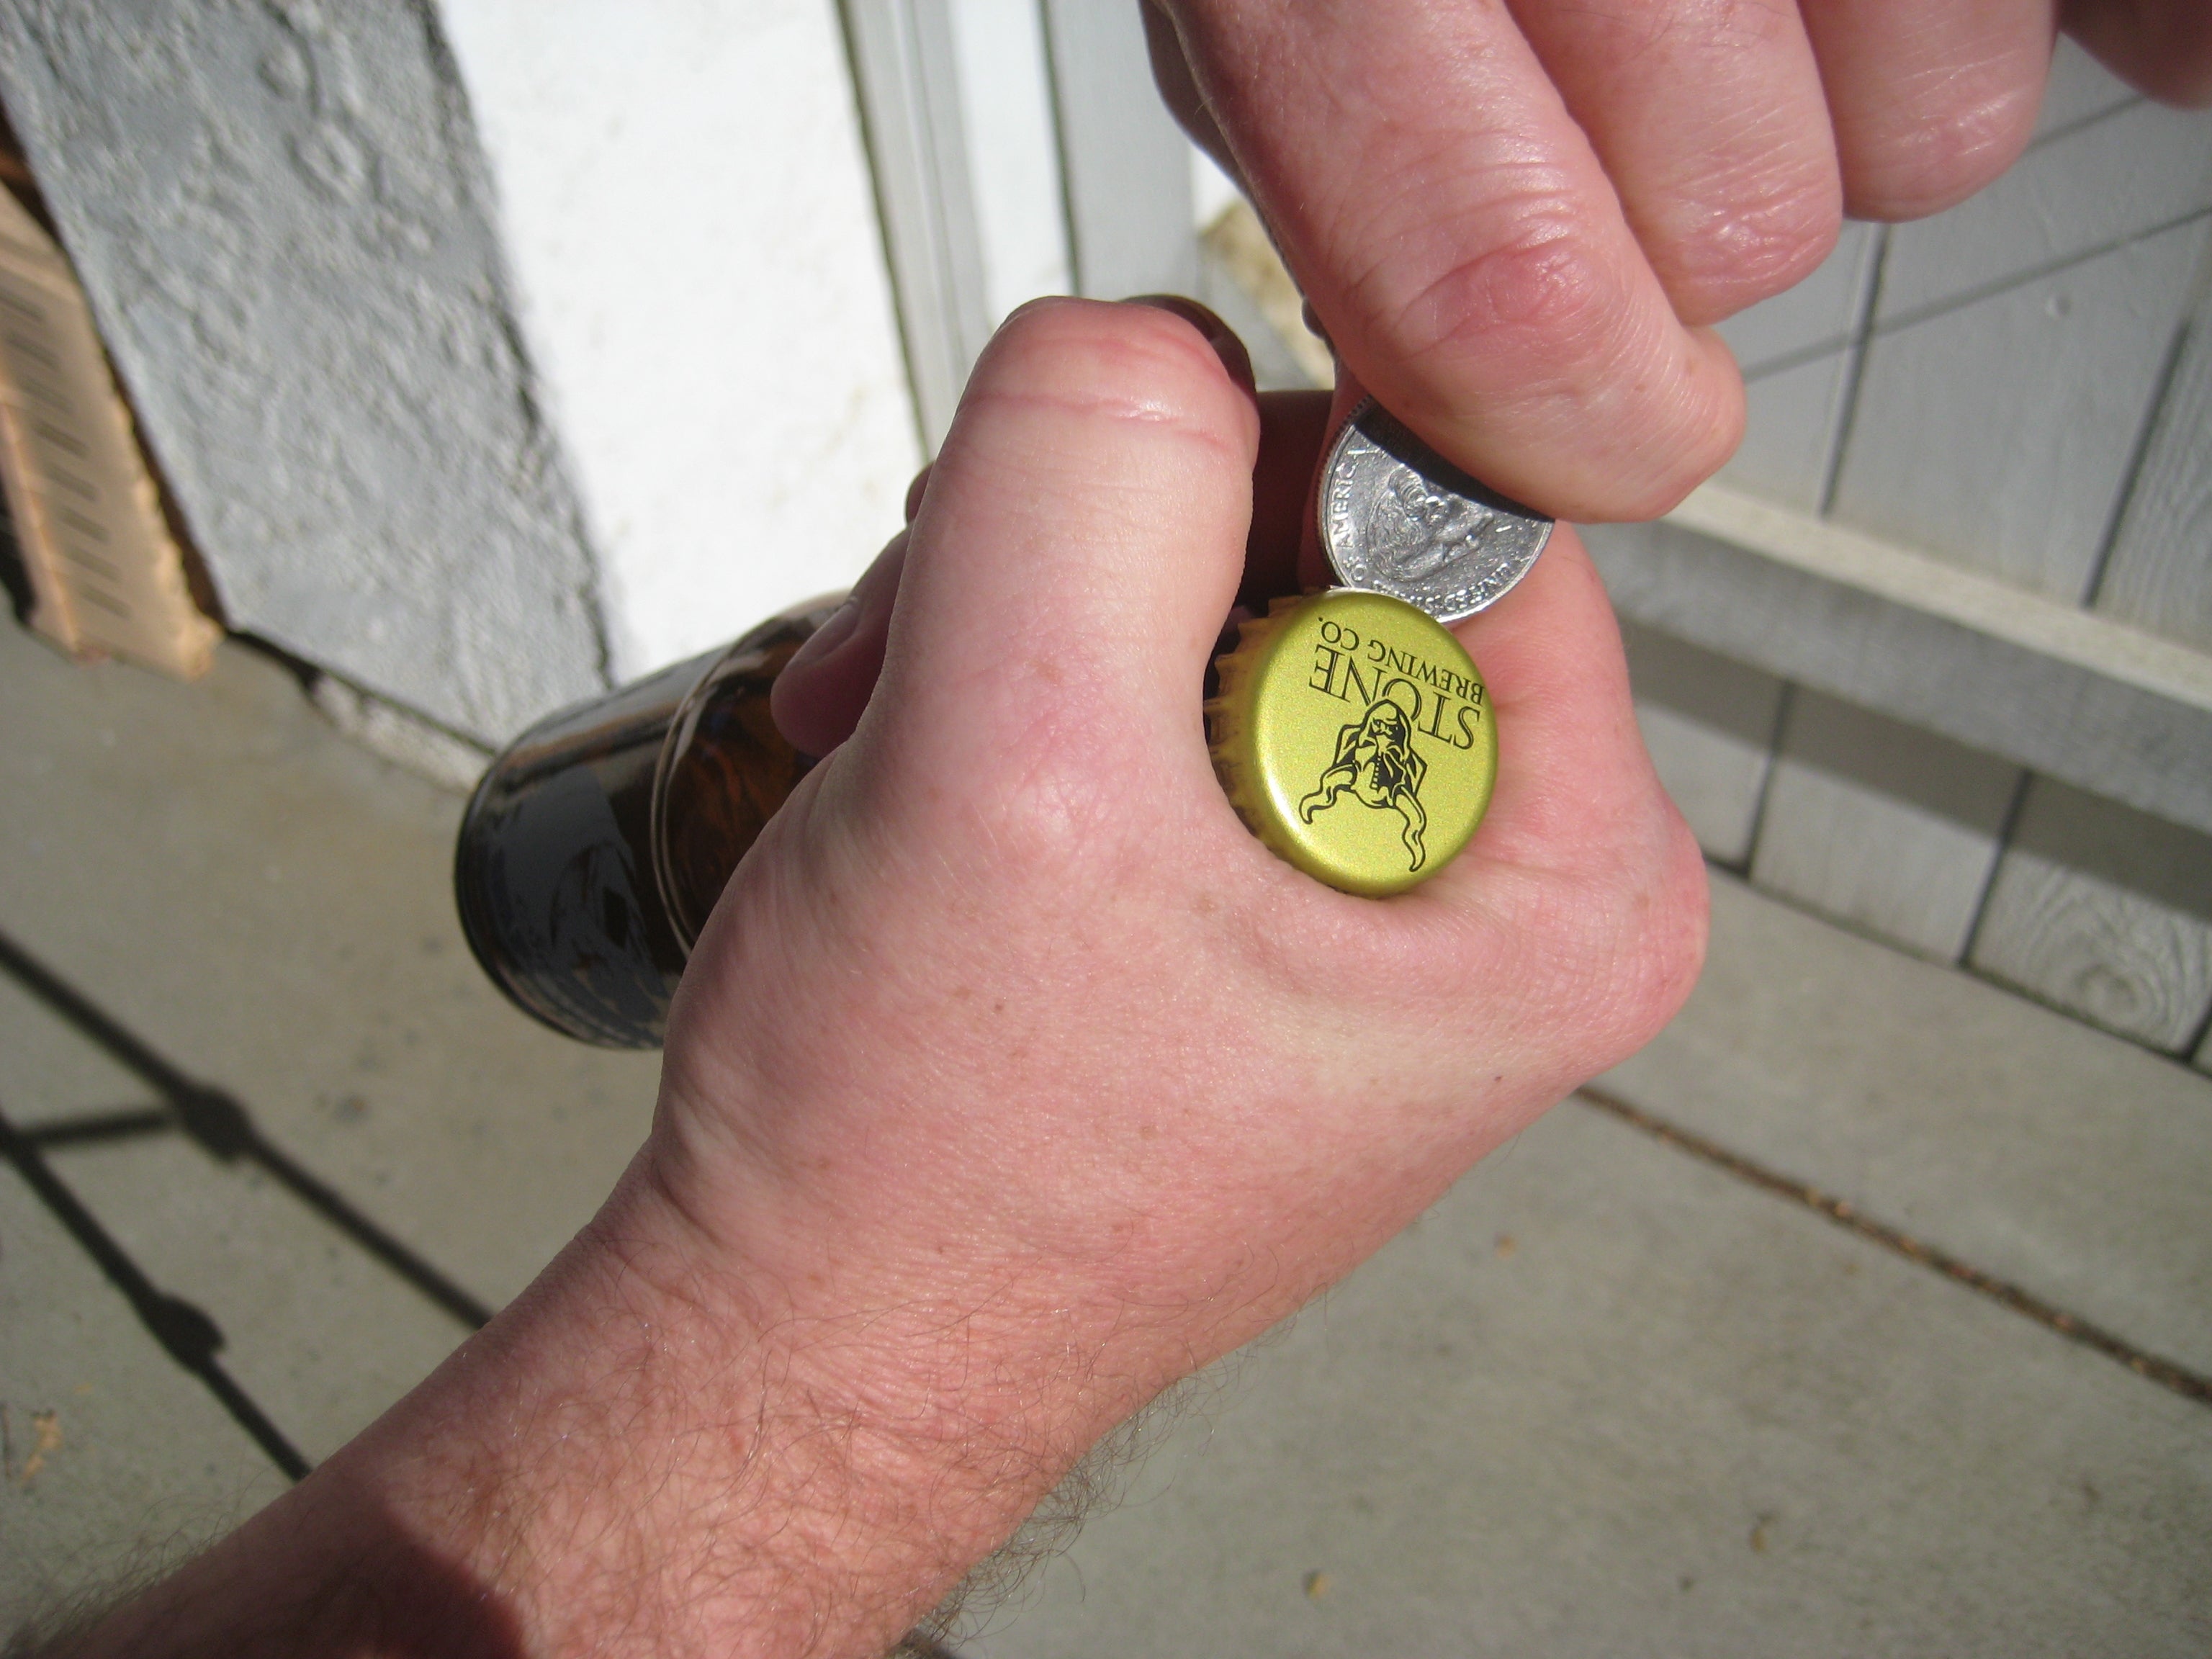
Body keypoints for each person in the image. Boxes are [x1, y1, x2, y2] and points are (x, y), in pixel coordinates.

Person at [31, 5, 2207, 1654]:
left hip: (676, 867)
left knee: (808, 692)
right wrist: (816, 1329)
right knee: (729, 750)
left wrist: (794, 1330)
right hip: (578, 861)